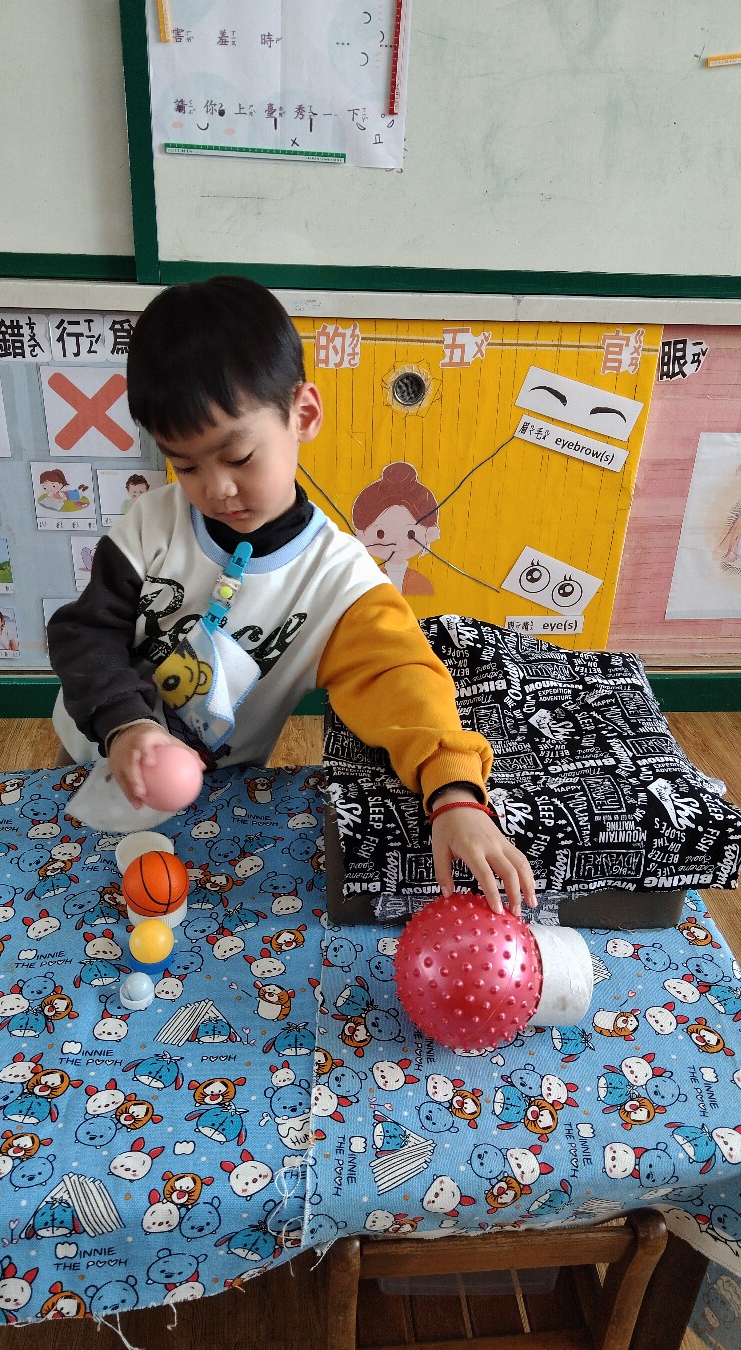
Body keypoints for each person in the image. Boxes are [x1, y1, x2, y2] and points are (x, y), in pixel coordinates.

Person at [48, 277, 534, 915]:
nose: (216, 489)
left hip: (219, 786)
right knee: (67, 885)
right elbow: (86, 633)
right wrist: (124, 724)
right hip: (93, 736)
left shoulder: (339, 582)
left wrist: (454, 796)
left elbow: (403, 682)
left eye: (239, 457)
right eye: (186, 466)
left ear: (302, 415)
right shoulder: (150, 527)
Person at [351, 461, 440, 595]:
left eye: (411, 534)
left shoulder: (422, 584)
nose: (397, 543)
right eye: (380, 533)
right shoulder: (368, 583)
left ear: (429, 533)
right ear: (361, 535)